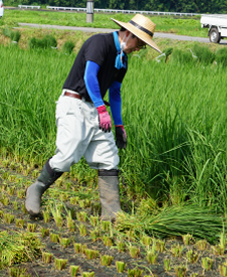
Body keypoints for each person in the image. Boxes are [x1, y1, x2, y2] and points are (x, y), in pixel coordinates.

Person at [25, 14, 161, 221]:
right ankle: (36, 189)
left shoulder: (122, 60)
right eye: (140, 43)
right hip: (74, 105)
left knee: (108, 157)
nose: (138, 49)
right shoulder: (100, 43)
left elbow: (115, 93)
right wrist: (100, 108)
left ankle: (112, 213)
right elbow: (90, 76)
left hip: (96, 109)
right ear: (128, 34)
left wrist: (119, 125)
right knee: (67, 156)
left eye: (142, 46)